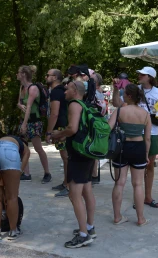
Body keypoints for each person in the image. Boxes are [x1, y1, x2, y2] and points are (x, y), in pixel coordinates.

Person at [113, 66, 158, 208]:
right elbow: (119, 105)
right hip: (134, 134)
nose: (139, 76)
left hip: (152, 132)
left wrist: (157, 114)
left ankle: (147, 197)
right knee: (136, 169)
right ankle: (139, 198)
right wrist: (116, 90)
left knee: (149, 166)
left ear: (150, 77)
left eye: (142, 74)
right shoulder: (134, 90)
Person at [51, 81, 96, 248]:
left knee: (74, 194)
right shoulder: (86, 105)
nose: (64, 92)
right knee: (87, 191)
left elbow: (72, 128)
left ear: (75, 90)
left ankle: (83, 235)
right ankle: (90, 228)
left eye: (67, 88)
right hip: (88, 153)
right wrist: (65, 135)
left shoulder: (74, 105)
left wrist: (58, 134)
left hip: (77, 155)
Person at [109, 84, 151, 226]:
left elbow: (108, 128)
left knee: (119, 183)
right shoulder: (145, 114)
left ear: (129, 96)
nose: (123, 95)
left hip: (122, 148)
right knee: (138, 184)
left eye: (124, 93)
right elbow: (148, 138)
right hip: (139, 148)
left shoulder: (120, 111)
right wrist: (146, 154)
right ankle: (140, 218)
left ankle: (117, 217)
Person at [0, 135, 30, 240]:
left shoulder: (3, 139)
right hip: (10, 153)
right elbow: (26, 155)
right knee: (12, 196)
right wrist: (18, 172)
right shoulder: (23, 146)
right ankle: (13, 231)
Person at [16, 65, 51, 183]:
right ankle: (26, 173)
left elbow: (29, 107)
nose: (16, 74)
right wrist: (20, 106)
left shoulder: (33, 88)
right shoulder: (22, 87)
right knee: (23, 148)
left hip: (34, 122)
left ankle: (47, 173)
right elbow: (20, 103)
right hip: (24, 120)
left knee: (38, 148)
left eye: (18, 72)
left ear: (23, 74)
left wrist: (24, 125)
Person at [45, 69, 69, 197]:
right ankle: (66, 183)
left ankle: (69, 185)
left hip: (62, 128)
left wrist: (49, 132)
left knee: (66, 158)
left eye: (48, 75)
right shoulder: (62, 90)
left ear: (55, 77)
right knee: (65, 158)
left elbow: (54, 114)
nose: (46, 77)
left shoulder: (56, 92)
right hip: (65, 126)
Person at [90, 72, 107, 184]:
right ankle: (94, 174)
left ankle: (94, 174)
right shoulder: (100, 92)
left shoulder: (95, 92)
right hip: (100, 122)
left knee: (92, 149)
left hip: (95, 122)